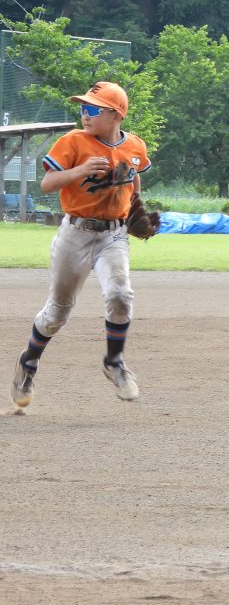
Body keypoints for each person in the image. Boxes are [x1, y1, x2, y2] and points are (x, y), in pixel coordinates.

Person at [10, 81, 152, 411]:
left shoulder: (134, 145)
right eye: (83, 109)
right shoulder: (73, 141)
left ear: (116, 115)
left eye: (92, 109)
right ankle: (28, 362)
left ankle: (114, 362)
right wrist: (81, 170)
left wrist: (137, 206)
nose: (85, 115)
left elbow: (134, 174)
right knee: (57, 313)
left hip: (113, 235)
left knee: (120, 295)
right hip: (75, 233)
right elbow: (47, 184)